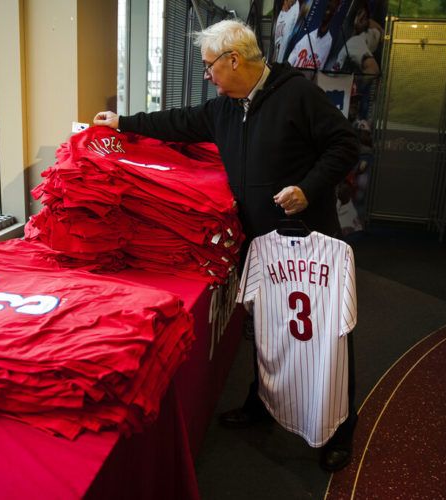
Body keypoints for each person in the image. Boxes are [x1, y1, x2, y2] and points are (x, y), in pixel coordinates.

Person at [93, 18, 359, 472]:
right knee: (266, 331)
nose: (207, 75)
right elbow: (177, 123)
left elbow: (346, 145)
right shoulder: (224, 109)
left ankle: (340, 429)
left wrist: (308, 189)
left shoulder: (296, 95)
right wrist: (123, 122)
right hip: (259, 243)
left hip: (309, 243)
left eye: (209, 65)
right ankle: (263, 402)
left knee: (327, 338)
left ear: (234, 60)